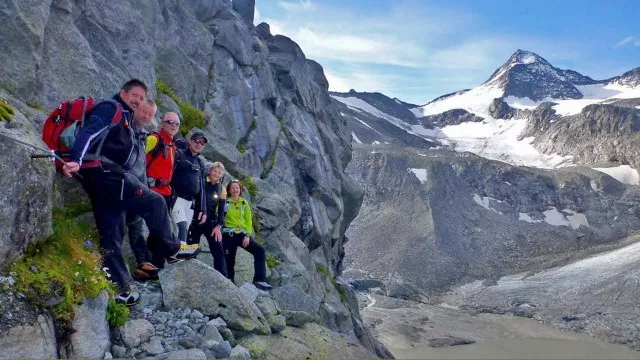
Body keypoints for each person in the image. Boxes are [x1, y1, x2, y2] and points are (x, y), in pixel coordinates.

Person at [62, 79, 180, 306]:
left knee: (112, 233)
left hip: (99, 180)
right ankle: (173, 249)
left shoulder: (125, 116)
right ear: (122, 93)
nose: (137, 100)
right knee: (155, 202)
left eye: (141, 98)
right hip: (105, 173)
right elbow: (88, 133)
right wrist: (76, 160)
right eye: (134, 95)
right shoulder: (112, 108)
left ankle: (121, 289)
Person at [222, 179, 272, 290]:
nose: (235, 190)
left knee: (259, 251)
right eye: (233, 188)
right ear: (229, 190)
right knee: (230, 259)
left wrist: (247, 235)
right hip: (228, 234)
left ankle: (260, 280)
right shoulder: (224, 203)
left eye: (237, 188)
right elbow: (218, 217)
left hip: (242, 234)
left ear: (240, 190)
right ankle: (230, 282)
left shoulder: (244, 203)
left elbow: (248, 221)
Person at [171, 132, 208, 258]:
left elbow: (202, 188)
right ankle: (181, 250)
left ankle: (178, 253)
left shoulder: (200, 163)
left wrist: (203, 209)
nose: (199, 144)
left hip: (190, 202)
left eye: (202, 143)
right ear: (190, 141)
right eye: (196, 141)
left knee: (185, 227)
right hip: (176, 197)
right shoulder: (179, 155)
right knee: (181, 224)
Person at [187, 162, 227, 276]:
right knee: (191, 247)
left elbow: (221, 211)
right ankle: (189, 274)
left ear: (221, 175)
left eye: (219, 172)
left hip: (211, 222)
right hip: (196, 218)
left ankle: (223, 277)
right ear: (210, 171)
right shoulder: (201, 181)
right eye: (214, 171)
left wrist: (218, 226)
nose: (216, 174)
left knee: (218, 250)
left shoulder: (222, 189)